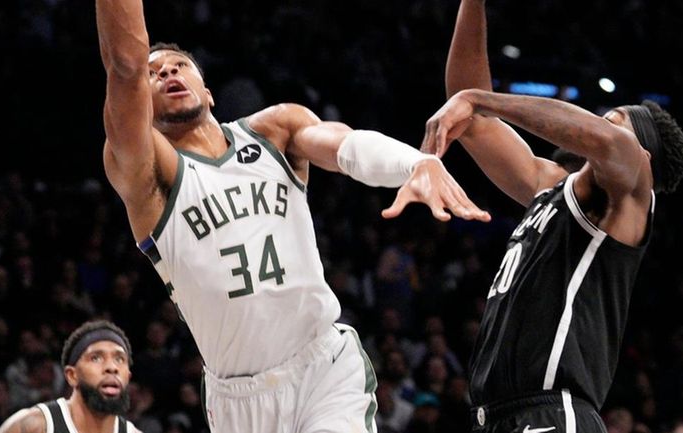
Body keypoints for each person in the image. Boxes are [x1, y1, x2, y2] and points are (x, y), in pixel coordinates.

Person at [94, 1, 491, 432]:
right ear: (142, 110)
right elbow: (126, 65)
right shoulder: (149, 174)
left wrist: (411, 164)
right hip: (237, 400)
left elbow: (342, 144)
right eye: (157, 73)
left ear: (208, 92)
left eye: (179, 66)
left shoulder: (273, 131)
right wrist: (136, 70)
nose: (168, 73)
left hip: (323, 368)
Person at [421, 1, 683, 432]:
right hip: (495, 416)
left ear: (645, 159)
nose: (600, 126)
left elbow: (606, 144)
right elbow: (472, 116)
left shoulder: (629, 200)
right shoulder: (549, 186)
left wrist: (478, 99)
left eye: (613, 123)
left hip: (553, 412)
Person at [0, 320, 140, 433]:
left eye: (119, 359)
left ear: (128, 376)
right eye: (96, 358)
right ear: (72, 375)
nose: (112, 367)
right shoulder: (34, 425)